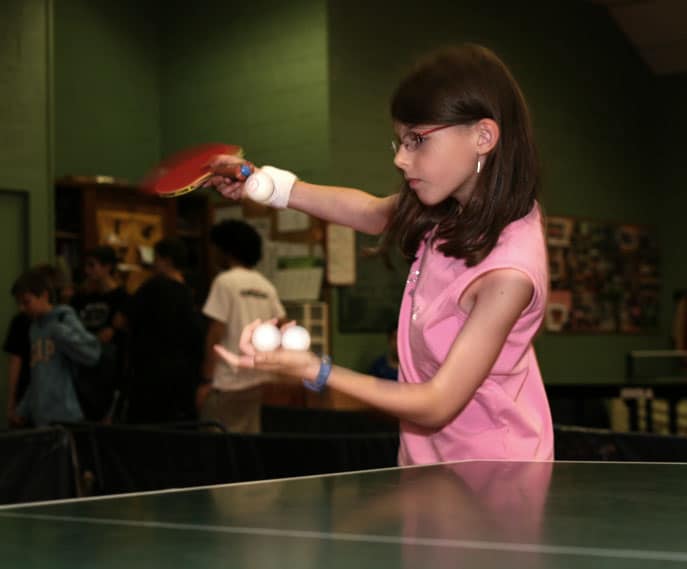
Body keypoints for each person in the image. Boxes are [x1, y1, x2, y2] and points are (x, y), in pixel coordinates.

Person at [206, 44, 553, 464]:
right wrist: (261, 184)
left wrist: (316, 370)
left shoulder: (508, 273)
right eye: (400, 142)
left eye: (418, 140)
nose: (403, 160)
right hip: (427, 460)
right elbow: (369, 211)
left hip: (494, 472)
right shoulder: (450, 209)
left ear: (483, 136)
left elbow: (438, 402)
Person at [197, 220, 286, 433]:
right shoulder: (266, 286)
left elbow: (216, 330)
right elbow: (282, 324)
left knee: (216, 445)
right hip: (256, 380)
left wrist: (207, 379)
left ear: (225, 250)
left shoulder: (225, 281)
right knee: (246, 444)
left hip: (226, 381)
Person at [122, 237, 203, 423]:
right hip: (183, 376)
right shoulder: (192, 291)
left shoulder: (153, 286)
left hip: (149, 373)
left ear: (166, 260)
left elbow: (122, 319)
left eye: (156, 258)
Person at [11, 267, 100, 427]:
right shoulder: (34, 329)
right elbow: (38, 374)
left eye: (26, 302)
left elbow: (92, 353)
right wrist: (23, 409)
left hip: (66, 414)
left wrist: (60, 332)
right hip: (41, 417)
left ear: (44, 295)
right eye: (19, 303)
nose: (22, 308)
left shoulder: (64, 317)